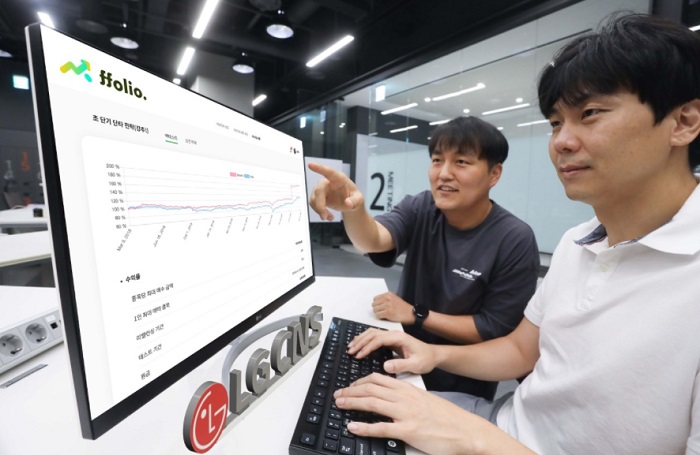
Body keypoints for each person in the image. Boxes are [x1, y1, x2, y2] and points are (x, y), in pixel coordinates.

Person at [331, 12, 700, 455]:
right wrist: (432, 354)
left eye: (590, 114)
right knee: (337, 414)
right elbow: (522, 351)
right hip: (501, 421)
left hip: (489, 435)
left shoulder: (514, 237)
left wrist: (472, 437)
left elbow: (491, 329)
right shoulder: (577, 242)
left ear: (683, 122)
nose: (562, 142)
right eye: (556, 123)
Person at [309, 116, 540, 399]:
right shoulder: (421, 206)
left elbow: (493, 329)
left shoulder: (514, 239)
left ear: (494, 174)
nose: (444, 173)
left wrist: (416, 315)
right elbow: (373, 240)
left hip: (459, 384)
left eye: (461, 162)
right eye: (437, 160)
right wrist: (352, 209)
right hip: (399, 359)